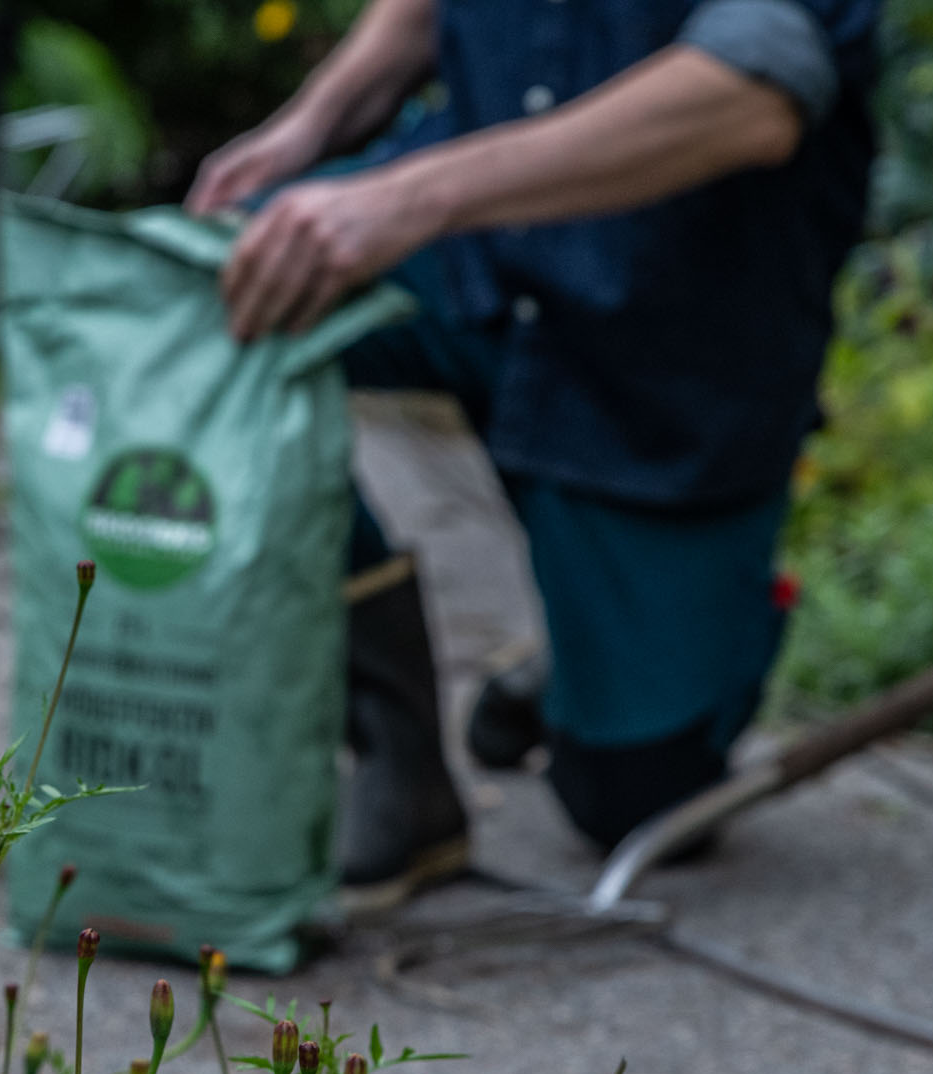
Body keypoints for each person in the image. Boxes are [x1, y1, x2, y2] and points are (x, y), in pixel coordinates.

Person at [185, 0, 880, 887]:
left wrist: (412, 198)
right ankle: (392, 753)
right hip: (478, 260)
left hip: (662, 348)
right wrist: (312, 124)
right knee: (200, 305)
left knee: (637, 796)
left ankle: (593, 666)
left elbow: (754, 90)